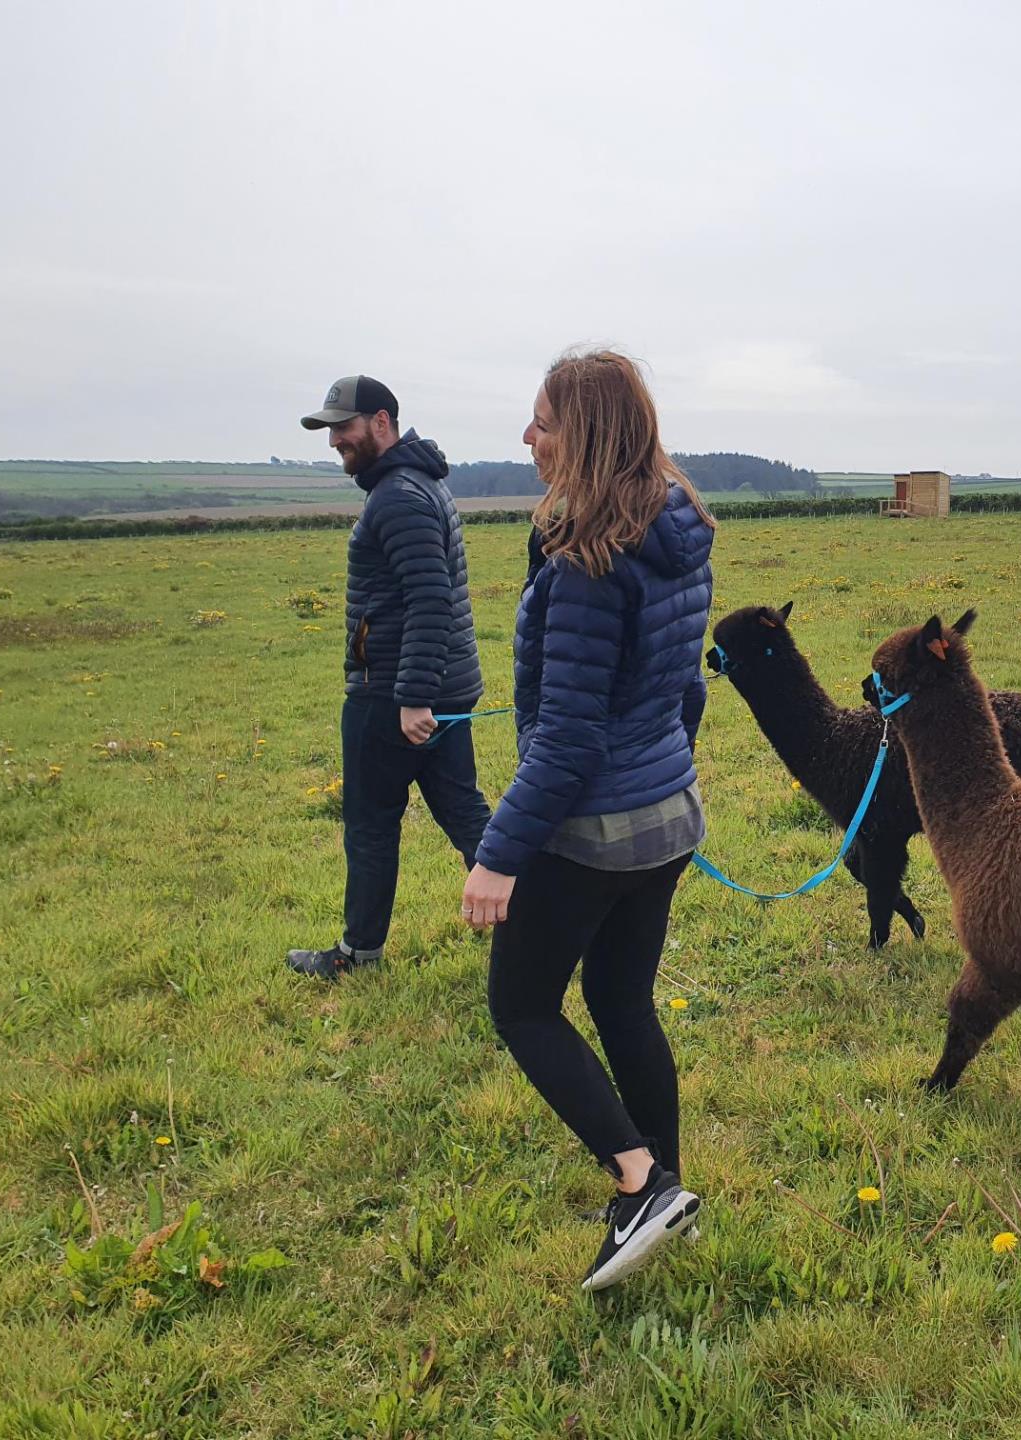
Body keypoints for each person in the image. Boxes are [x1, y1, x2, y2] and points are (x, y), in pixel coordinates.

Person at [460, 350, 715, 1291]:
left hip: (597, 830)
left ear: (589, 436)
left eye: (543, 423)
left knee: (522, 1006)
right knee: (620, 1001)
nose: (526, 438)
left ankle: (639, 1181)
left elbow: (565, 744)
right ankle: (671, 1195)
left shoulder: (588, 568)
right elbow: (681, 688)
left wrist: (496, 856)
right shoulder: (676, 530)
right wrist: (661, 765)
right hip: (668, 818)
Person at [287, 375, 490, 980]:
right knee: (464, 811)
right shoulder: (418, 482)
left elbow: (430, 598)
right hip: (442, 683)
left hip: (398, 692)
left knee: (371, 824)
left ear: (382, 422)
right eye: (328, 431)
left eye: (343, 428)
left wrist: (410, 700)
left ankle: (358, 955)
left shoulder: (398, 496)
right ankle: (533, 919)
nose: (334, 443)